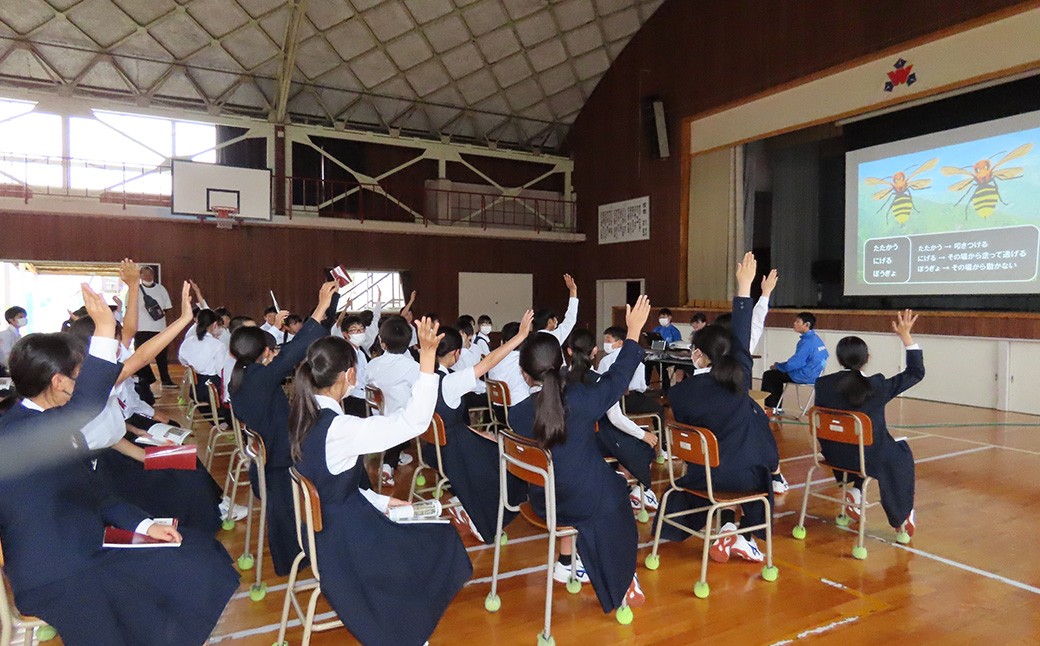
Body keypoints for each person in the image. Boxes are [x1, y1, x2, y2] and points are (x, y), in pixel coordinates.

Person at [0, 283, 239, 646]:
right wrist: (104, 330)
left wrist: (146, 525)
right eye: (79, 377)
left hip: (87, 545)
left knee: (198, 554)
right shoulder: (20, 433)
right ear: (59, 381)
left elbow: (97, 495)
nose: (84, 386)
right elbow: (89, 403)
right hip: (59, 571)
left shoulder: (53, 424)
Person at [288, 317, 471, 646]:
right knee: (437, 536)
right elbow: (413, 422)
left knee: (412, 525)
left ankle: (403, 615)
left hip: (322, 527)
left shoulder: (303, 411)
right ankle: (407, 628)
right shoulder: (340, 428)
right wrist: (427, 360)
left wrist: (380, 500)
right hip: (342, 536)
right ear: (350, 376)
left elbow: (330, 483)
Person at [508, 295, 652, 613]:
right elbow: (618, 379)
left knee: (582, 481)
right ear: (563, 361)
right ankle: (622, 577)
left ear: (523, 373)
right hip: (585, 502)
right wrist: (633, 333)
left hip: (544, 504)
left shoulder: (516, 415)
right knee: (617, 495)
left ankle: (565, 563)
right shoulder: (584, 398)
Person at [656, 252, 780, 564]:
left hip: (700, 477)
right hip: (739, 478)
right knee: (757, 462)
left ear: (696, 354)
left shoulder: (680, 393)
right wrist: (746, 290)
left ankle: (727, 524)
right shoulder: (737, 383)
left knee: (732, 452)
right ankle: (743, 536)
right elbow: (743, 335)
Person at [229, 281, 337, 577]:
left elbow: (289, 351)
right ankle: (330, 534)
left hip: (267, 457)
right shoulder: (260, 378)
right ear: (265, 352)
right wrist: (321, 306)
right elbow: (296, 350)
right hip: (282, 458)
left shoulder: (242, 377)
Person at [813, 310, 923, 538]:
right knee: (900, 454)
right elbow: (916, 373)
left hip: (834, 457)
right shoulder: (877, 386)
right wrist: (906, 338)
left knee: (860, 443)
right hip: (867, 458)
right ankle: (901, 515)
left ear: (839, 358)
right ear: (867, 358)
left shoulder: (822, 384)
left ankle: (854, 490)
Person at [429, 311, 533, 542]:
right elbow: (489, 362)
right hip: (454, 452)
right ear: (456, 353)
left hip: (435, 448)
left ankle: (465, 502)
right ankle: (483, 517)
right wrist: (520, 336)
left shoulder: (425, 376)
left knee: (492, 441)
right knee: (508, 461)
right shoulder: (450, 382)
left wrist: (478, 433)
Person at [569, 329, 659, 512]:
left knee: (622, 441)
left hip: (574, 436)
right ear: (594, 351)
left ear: (569, 351)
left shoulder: (560, 377)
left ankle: (626, 486)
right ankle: (641, 490)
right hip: (597, 435)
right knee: (642, 444)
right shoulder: (598, 380)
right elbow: (616, 418)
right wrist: (643, 435)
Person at [366, 315, 420, 487]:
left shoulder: (373, 364)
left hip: (378, 415)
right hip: (401, 420)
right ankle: (389, 466)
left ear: (382, 342)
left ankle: (393, 457)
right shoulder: (412, 367)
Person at [761, 311, 828, 411]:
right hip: (815, 374)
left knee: (770, 375)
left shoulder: (806, 342)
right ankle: (775, 407)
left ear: (807, 325)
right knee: (777, 374)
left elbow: (794, 364)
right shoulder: (816, 339)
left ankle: (771, 407)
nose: (794, 324)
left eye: (798, 321)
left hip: (803, 375)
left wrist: (778, 366)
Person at [133, 265, 175, 392]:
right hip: (141, 328)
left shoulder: (161, 289)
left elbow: (167, 307)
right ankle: (147, 379)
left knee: (162, 356)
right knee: (140, 354)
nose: (148, 276)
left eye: (150, 274)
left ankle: (166, 379)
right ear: (140, 276)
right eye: (145, 274)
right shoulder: (135, 289)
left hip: (159, 328)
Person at [533, 274, 579, 345]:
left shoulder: (530, 339)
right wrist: (573, 290)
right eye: (555, 319)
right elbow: (570, 318)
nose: (557, 321)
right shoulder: (554, 336)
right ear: (549, 321)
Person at [0, 305, 28, 376]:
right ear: (11, 319)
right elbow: (6, 357)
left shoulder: (17, 335)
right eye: (20, 317)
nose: (24, 319)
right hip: (5, 371)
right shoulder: (6, 335)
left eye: (24, 317)